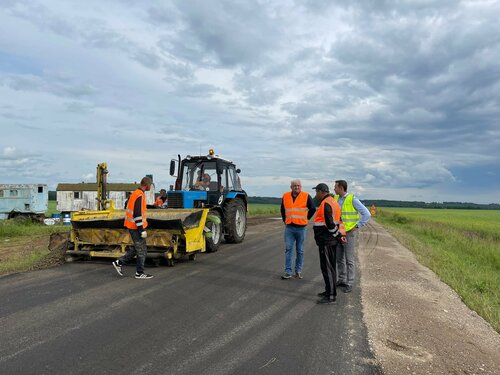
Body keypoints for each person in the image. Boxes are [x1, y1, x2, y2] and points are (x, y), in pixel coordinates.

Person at [333, 180, 371, 293]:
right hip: (338, 232)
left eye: (335, 187)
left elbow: (367, 214)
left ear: (341, 187)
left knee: (349, 259)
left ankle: (349, 283)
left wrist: (358, 225)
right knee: (339, 259)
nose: (334, 189)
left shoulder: (352, 199)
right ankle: (341, 280)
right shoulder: (335, 198)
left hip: (349, 232)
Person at [112, 176, 154, 279]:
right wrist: (141, 229)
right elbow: (137, 214)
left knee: (137, 248)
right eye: (151, 185)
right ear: (147, 185)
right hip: (136, 228)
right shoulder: (139, 195)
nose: (151, 187)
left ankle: (119, 262)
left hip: (133, 226)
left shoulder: (136, 193)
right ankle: (139, 273)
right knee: (142, 250)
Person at [312, 183, 346, 304]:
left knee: (328, 268)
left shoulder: (326, 203)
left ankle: (331, 296)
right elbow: (339, 222)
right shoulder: (333, 202)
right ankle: (328, 291)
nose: (316, 194)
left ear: (321, 192)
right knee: (330, 267)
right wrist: (340, 236)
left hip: (327, 241)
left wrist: (337, 235)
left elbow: (330, 224)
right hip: (329, 240)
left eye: (317, 192)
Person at [280, 179, 316, 279]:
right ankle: (288, 272)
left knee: (300, 250)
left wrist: (306, 218)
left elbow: (313, 208)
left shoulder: (306, 196)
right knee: (288, 249)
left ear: (301, 187)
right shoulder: (286, 196)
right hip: (289, 228)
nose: (297, 187)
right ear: (291, 187)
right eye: (294, 186)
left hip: (301, 228)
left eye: (298, 186)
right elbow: (282, 209)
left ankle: (298, 271)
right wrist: (285, 220)